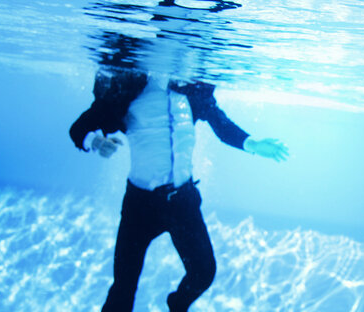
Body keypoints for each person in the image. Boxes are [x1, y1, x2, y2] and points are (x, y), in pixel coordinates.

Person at [69, 66, 288, 311]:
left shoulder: (193, 93)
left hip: (183, 204)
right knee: (124, 287)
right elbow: (79, 129)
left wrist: (252, 144)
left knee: (203, 273)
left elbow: (220, 124)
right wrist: (96, 141)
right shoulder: (128, 90)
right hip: (140, 208)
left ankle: (177, 305)